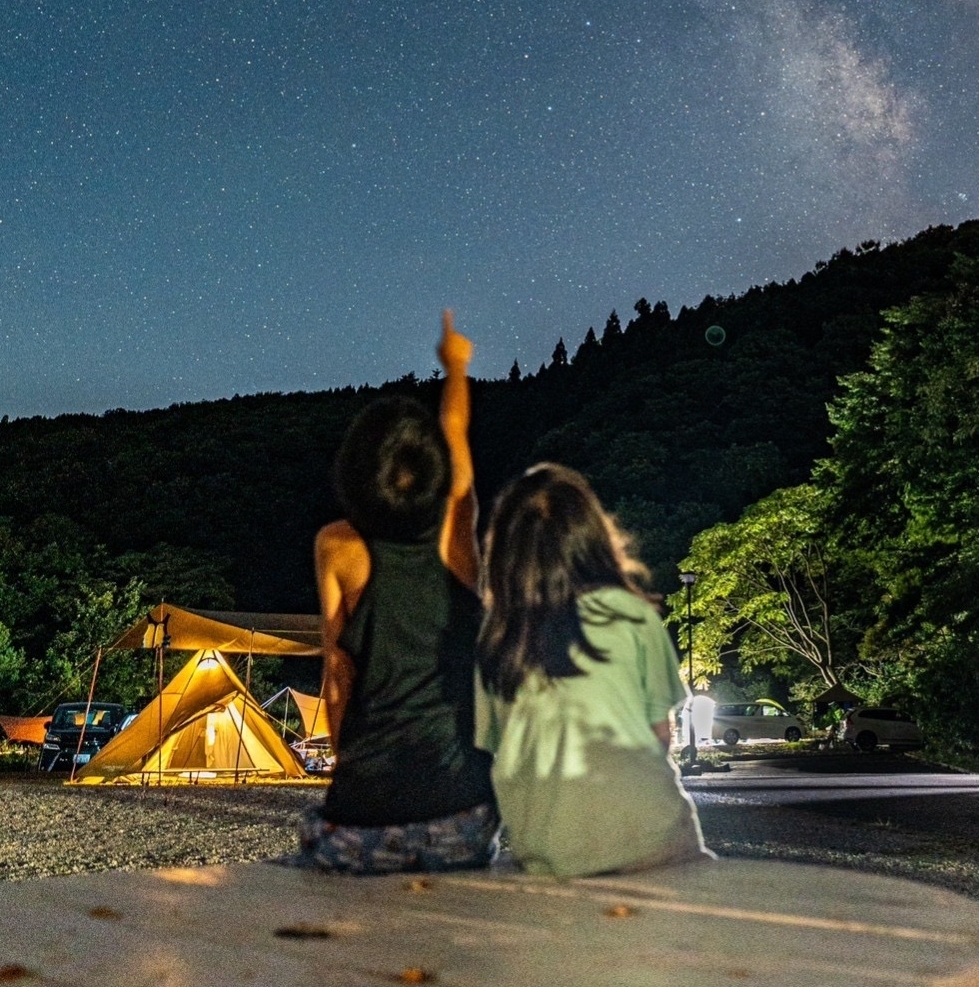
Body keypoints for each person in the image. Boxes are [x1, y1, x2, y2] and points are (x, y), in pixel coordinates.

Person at [289, 311, 496, 873]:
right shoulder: (456, 541)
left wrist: (345, 768)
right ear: (438, 479)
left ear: (354, 475)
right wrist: (456, 366)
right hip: (462, 821)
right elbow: (455, 431)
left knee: (310, 845)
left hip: (363, 822)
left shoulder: (336, 547)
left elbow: (338, 674)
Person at [474, 463, 712, 878]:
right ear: (594, 539)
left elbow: (496, 747)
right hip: (652, 837)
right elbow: (660, 734)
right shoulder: (633, 614)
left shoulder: (497, 638)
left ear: (506, 554)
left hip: (549, 851)